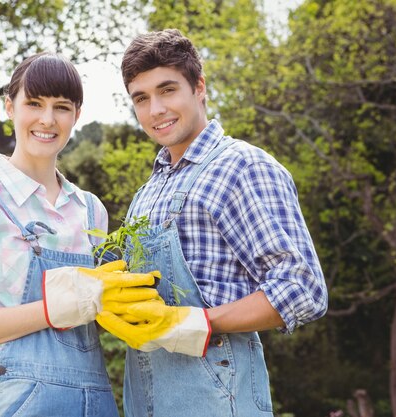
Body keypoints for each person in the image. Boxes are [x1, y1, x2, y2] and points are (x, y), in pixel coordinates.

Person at [96, 29, 329, 417]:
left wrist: (196, 321)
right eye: (142, 98)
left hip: (218, 399)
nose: (155, 110)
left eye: (167, 90)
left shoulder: (242, 166)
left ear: (199, 86)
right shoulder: (147, 192)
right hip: (147, 398)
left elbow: (302, 288)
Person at [0, 52, 160, 417]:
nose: (47, 120)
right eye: (34, 103)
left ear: (77, 115)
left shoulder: (89, 209)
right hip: (14, 402)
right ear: (9, 107)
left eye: (62, 107)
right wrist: (53, 309)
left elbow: (103, 312)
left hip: (93, 400)